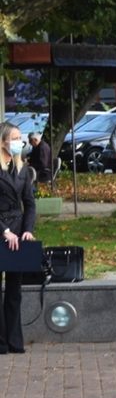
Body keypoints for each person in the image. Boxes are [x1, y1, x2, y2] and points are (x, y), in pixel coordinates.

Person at [0, 122, 37, 355]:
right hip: (2, 230)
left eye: (20, 138)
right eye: (14, 138)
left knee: (15, 290)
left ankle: (14, 341)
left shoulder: (22, 169)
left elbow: (30, 204)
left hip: (18, 231)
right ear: (3, 141)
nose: (18, 142)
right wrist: (4, 230)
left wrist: (28, 229)